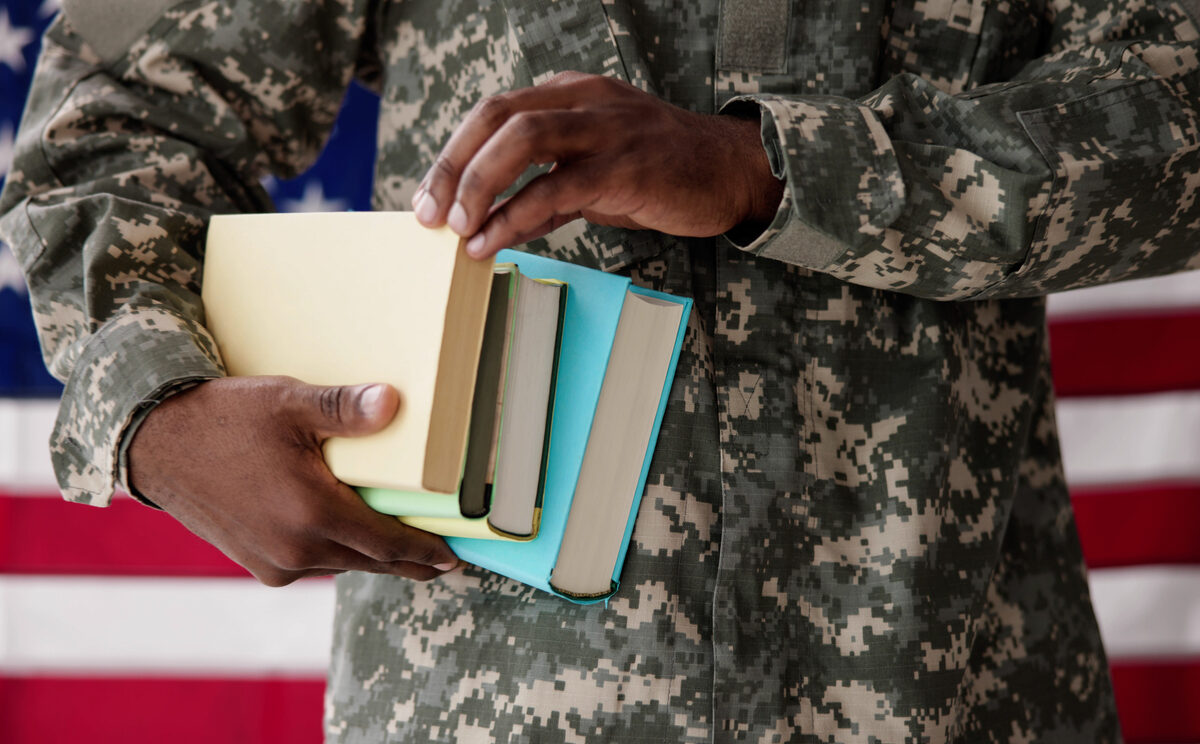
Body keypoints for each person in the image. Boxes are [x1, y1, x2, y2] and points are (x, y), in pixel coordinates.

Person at [3, 0, 1199, 740]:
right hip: (489, 710)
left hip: (951, 699)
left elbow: (1178, 114)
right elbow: (103, 131)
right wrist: (149, 409)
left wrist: (768, 169)